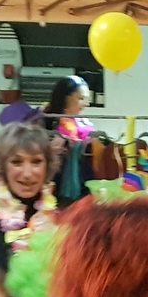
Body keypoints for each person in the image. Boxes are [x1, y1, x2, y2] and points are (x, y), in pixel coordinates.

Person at [0, 123, 59, 271]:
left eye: (36, 162)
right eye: (17, 162)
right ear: (3, 167)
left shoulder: (60, 211)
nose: (27, 174)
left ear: (47, 166)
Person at [42, 75, 97, 204]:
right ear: (66, 98)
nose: (86, 104)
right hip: (55, 184)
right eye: (81, 98)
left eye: (87, 99)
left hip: (81, 180)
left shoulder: (82, 121)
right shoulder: (47, 121)